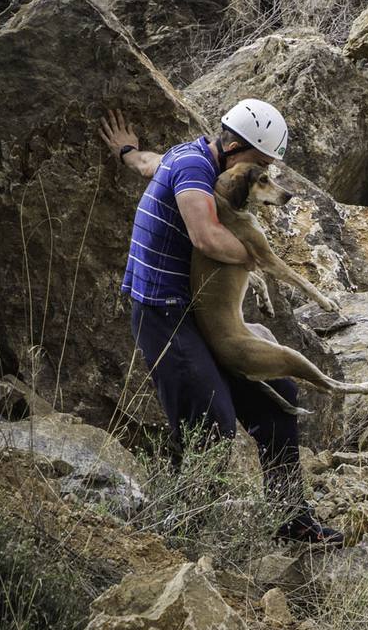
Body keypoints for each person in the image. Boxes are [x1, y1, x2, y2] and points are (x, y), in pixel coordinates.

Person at [100, 100, 343, 546]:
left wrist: (128, 152)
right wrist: (258, 258)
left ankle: (291, 519)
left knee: (277, 399)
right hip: (163, 314)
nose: (264, 173)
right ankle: (179, 533)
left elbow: (150, 165)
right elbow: (206, 237)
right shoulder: (194, 166)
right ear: (233, 148)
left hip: (198, 315)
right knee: (210, 420)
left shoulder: (195, 159)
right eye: (261, 163)